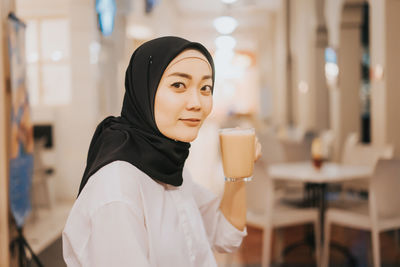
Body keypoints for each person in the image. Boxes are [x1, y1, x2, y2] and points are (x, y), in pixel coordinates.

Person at [62, 36, 261, 266]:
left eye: (205, 88)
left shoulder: (169, 165)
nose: (196, 102)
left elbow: (225, 236)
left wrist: (237, 172)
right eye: (178, 85)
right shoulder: (117, 190)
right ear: (144, 89)